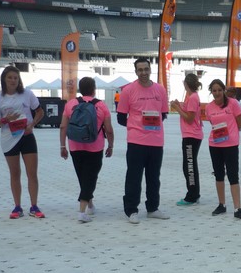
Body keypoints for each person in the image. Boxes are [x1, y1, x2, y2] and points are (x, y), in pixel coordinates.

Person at [117, 57, 170, 224]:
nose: (143, 73)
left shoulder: (160, 90)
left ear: (150, 69)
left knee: (154, 177)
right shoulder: (128, 90)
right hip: (136, 142)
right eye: (140, 70)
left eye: (146, 69)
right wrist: (136, 126)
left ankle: (153, 208)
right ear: (136, 72)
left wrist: (151, 126)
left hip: (156, 141)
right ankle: (131, 210)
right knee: (134, 176)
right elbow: (120, 117)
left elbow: (163, 114)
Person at [0, 65, 45, 219]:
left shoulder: (27, 94)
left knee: (32, 173)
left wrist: (32, 124)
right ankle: (17, 207)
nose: (13, 80)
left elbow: (40, 111)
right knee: (15, 173)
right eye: (10, 77)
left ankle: (34, 206)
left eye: (15, 78)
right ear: (4, 79)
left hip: (27, 137)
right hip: (9, 139)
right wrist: (6, 119)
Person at [59, 77, 115, 222]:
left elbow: (63, 126)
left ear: (80, 89)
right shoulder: (101, 106)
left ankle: (90, 204)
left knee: (83, 176)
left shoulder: (71, 104)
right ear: (94, 89)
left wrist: (62, 146)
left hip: (75, 146)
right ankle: (82, 212)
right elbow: (108, 129)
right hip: (95, 147)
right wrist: (110, 145)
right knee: (91, 177)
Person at [205, 79, 241, 221]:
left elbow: (239, 123)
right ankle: (221, 204)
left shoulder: (233, 103)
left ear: (223, 90)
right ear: (211, 92)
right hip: (215, 144)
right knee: (218, 175)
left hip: (230, 145)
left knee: (233, 176)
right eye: (214, 90)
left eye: (219, 90)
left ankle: (237, 208)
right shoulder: (209, 107)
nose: (217, 93)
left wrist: (231, 134)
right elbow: (212, 123)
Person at [170, 73, 203, 205]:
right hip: (190, 135)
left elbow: (189, 118)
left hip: (192, 135)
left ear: (186, 84)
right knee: (189, 165)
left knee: (189, 166)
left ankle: (192, 195)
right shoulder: (191, 96)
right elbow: (189, 113)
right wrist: (180, 105)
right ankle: (194, 193)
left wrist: (177, 108)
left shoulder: (193, 97)